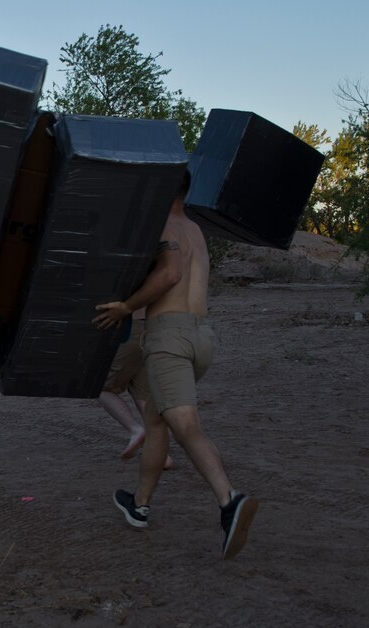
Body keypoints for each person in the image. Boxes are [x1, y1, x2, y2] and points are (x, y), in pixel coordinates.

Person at [94, 172, 258, 559]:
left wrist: (127, 306)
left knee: (185, 425)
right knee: (156, 420)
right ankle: (140, 504)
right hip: (201, 335)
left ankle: (229, 501)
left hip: (169, 338)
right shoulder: (194, 229)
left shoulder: (164, 225)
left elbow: (170, 273)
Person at [99, 307, 174, 469]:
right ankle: (162, 456)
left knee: (99, 386)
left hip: (131, 326)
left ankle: (135, 430)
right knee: (143, 395)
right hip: (155, 326)